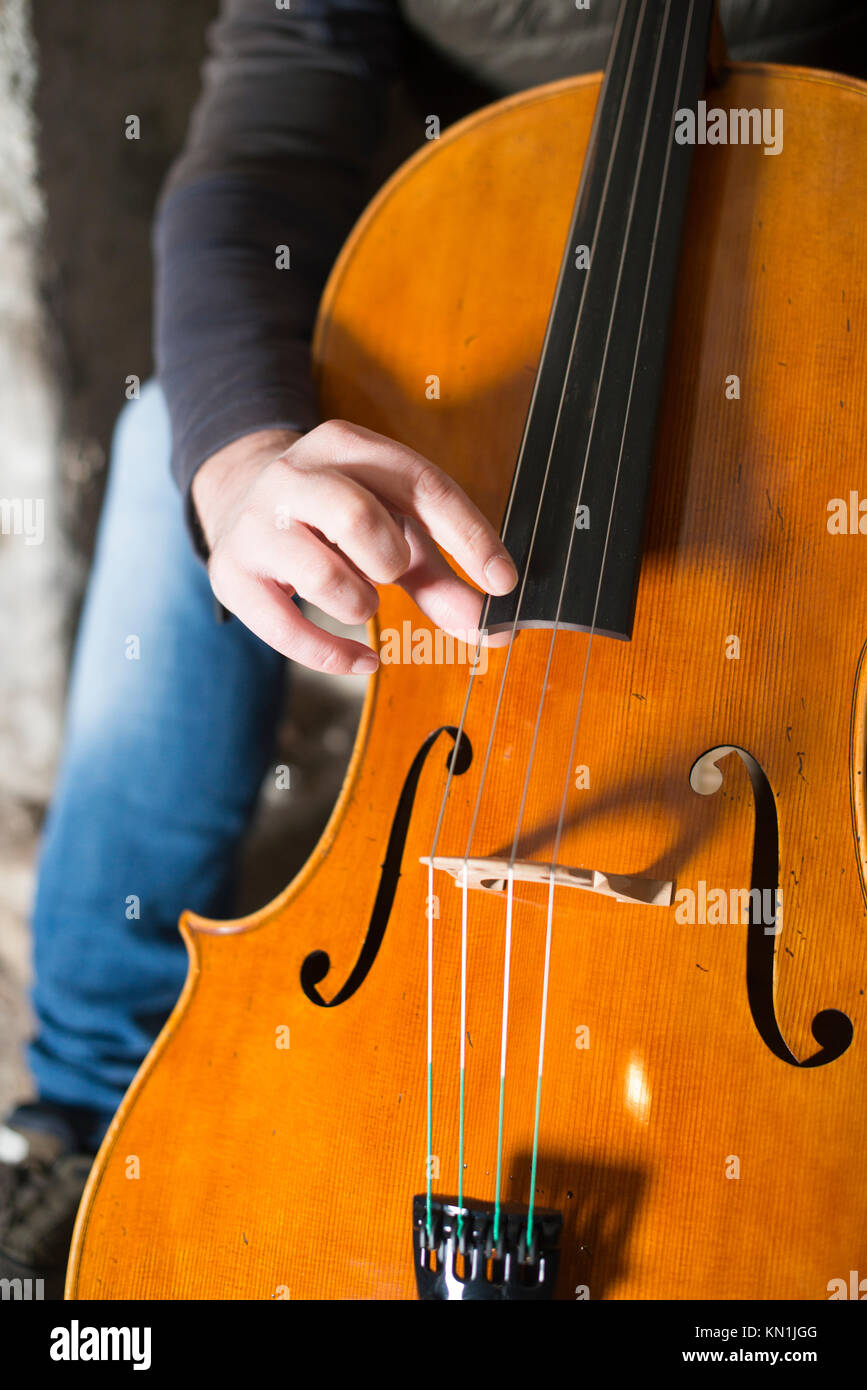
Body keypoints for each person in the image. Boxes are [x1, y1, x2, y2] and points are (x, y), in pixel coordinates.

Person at [1, 0, 863, 1299]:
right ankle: (78, 1100)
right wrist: (239, 470)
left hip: (828, 237)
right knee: (177, 431)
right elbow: (265, 141)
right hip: (500, 249)